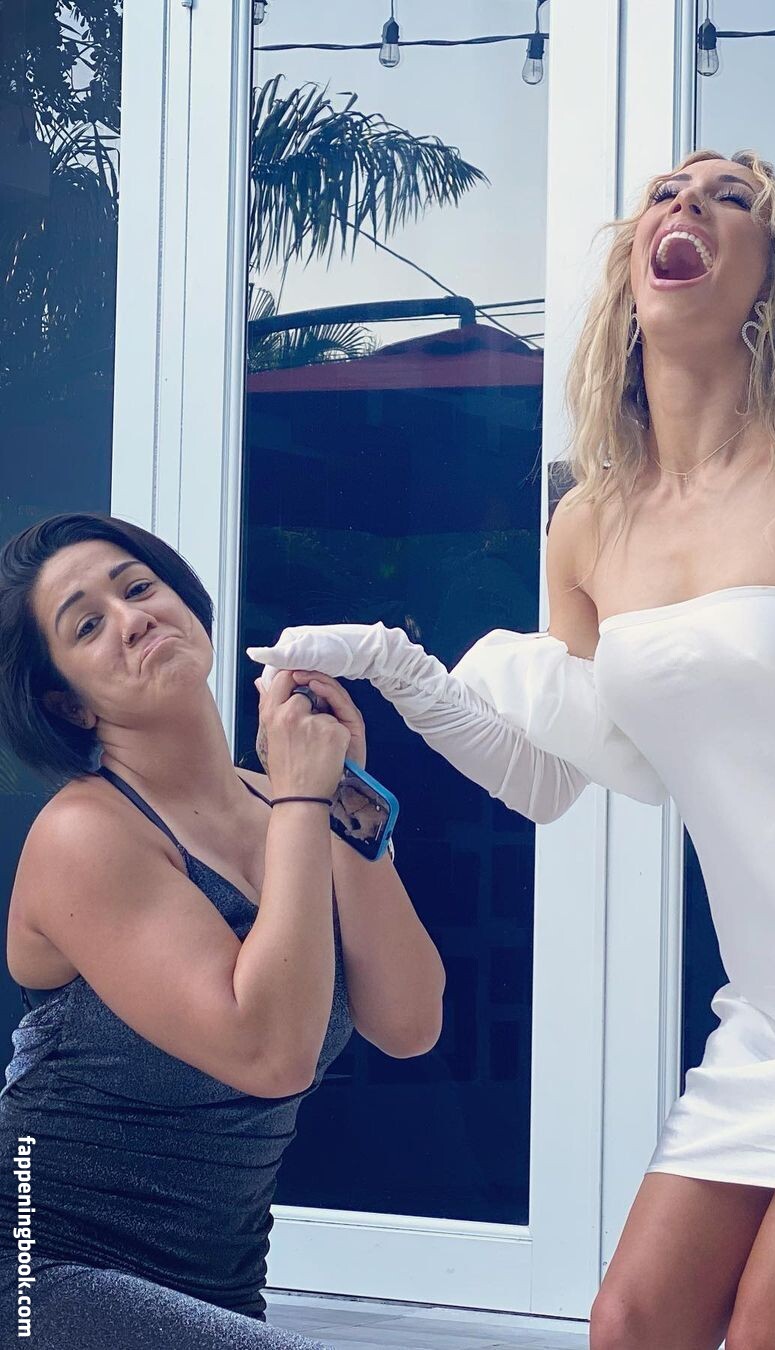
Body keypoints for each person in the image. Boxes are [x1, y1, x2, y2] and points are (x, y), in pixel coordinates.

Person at [247, 150, 775, 1350]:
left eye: (731, 198)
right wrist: (398, 666)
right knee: (634, 1323)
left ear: (770, 281)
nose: (687, 205)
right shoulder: (587, 525)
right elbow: (548, 776)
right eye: (667, 194)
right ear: (635, 264)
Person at [0, 513, 445, 1349]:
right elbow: (269, 1053)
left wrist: (339, 790)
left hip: (222, 1295)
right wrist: (305, 797)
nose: (133, 618)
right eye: (88, 626)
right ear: (68, 702)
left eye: (139, 588)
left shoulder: (290, 797)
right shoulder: (84, 834)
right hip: (35, 1273)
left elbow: (409, 1021)